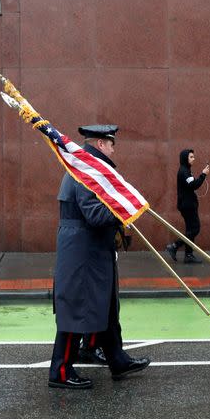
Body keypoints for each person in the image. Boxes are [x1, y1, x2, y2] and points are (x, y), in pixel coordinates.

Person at [48, 125, 150, 389]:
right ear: (100, 144)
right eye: (111, 143)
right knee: (77, 308)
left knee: (105, 306)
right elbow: (94, 214)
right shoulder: (86, 172)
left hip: (91, 250)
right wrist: (125, 211)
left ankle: (117, 360)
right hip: (83, 252)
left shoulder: (91, 169)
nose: (114, 148)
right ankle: (60, 371)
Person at [165, 148, 209, 264]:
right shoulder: (184, 171)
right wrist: (203, 175)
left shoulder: (186, 170)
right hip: (187, 205)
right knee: (195, 228)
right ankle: (174, 246)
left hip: (188, 204)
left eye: (193, 157)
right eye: (191, 157)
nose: (193, 159)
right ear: (185, 158)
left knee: (190, 229)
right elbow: (194, 185)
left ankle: (188, 255)